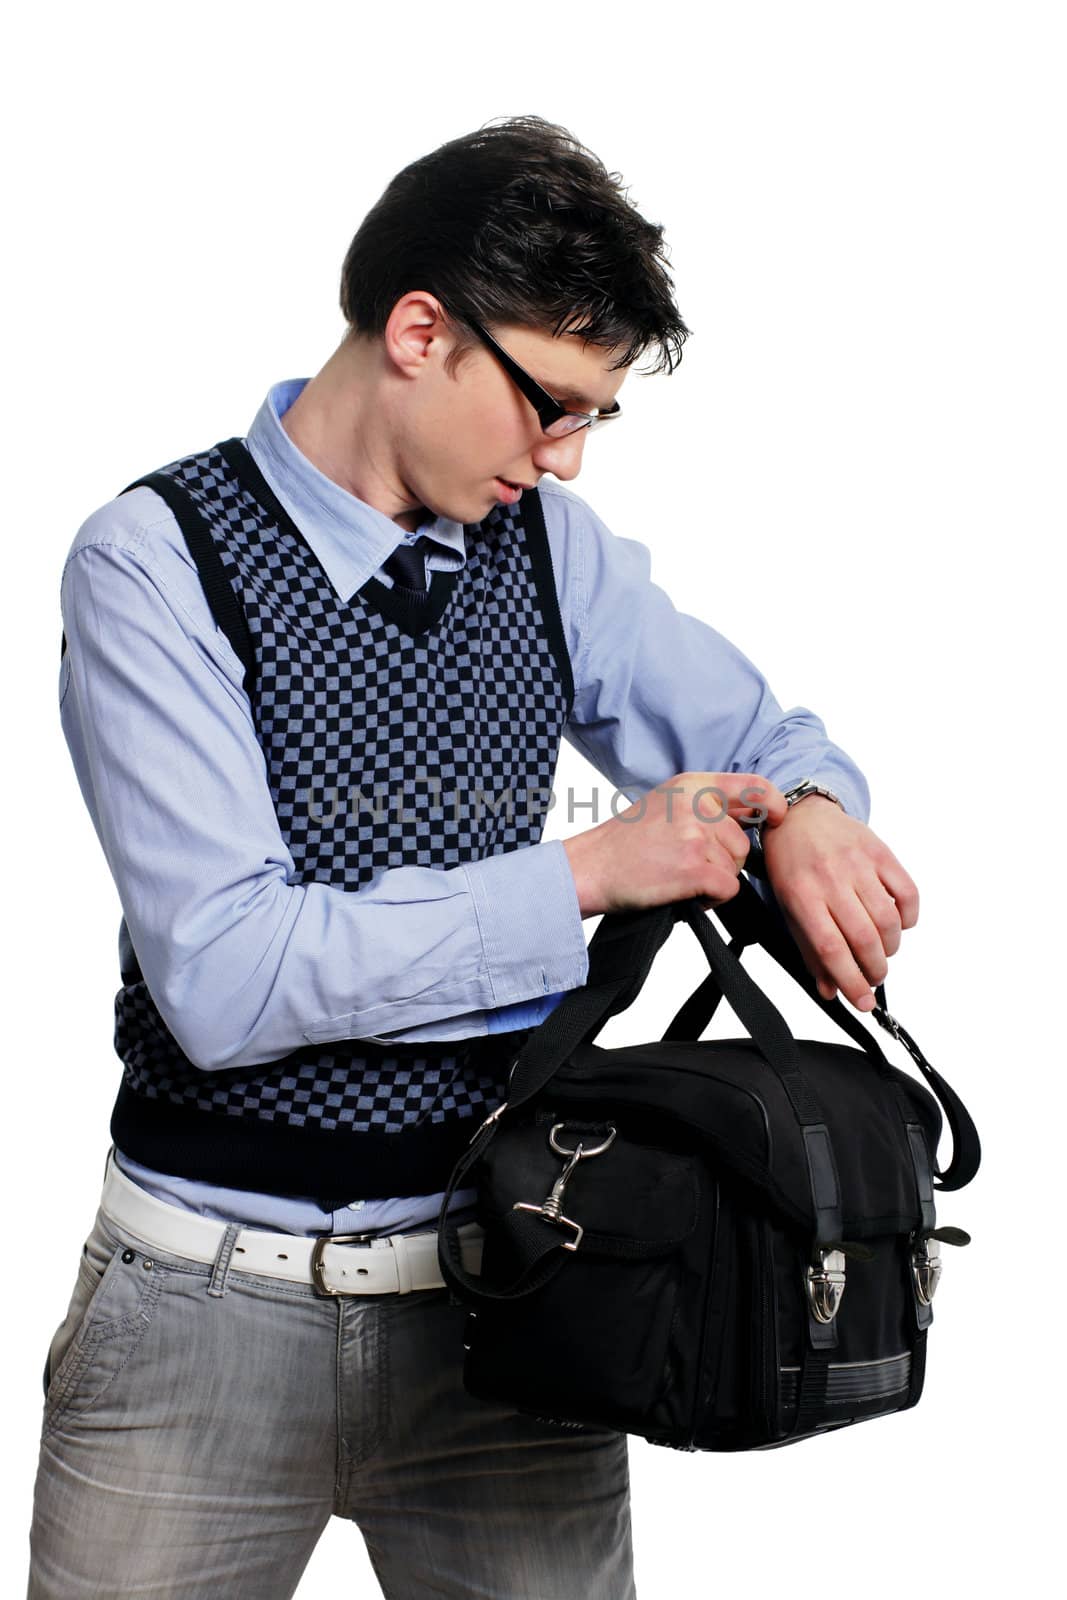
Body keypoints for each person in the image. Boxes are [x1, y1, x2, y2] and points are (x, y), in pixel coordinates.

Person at [27, 115, 918, 1598]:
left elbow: (766, 734)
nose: (564, 459)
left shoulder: (548, 550)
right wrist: (587, 874)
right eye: (549, 405)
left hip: (511, 1286)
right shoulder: (153, 564)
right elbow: (232, 978)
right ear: (420, 331)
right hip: (197, 1317)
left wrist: (811, 805)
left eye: (595, 422)